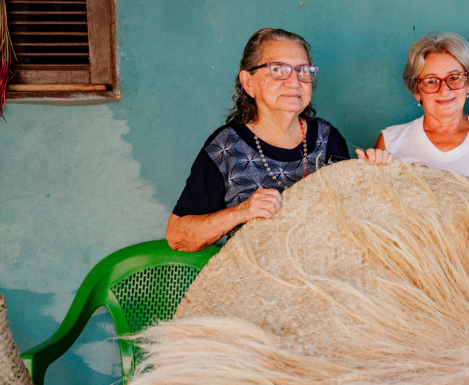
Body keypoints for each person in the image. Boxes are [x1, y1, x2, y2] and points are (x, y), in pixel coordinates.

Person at [167, 27, 390, 252]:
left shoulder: (327, 137)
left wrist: (375, 179)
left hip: (323, 280)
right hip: (253, 283)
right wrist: (242, 212)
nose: (294, 81)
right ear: (248, 82)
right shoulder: (227, 147)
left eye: (303, 71)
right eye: (278, 70)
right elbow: (177, 236)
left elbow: (352, 224)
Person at [374, 32, 469, 209]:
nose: (444, 90)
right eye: (431, 81)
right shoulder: (391, 141)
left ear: (468, 84)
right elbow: (376, 217)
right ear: (416, 91)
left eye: (454, 78)